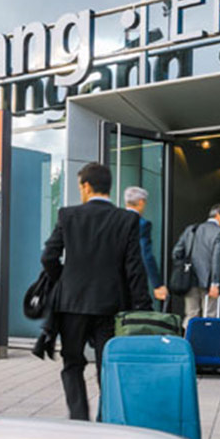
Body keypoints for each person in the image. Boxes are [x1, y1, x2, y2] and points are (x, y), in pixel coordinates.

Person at [41, 162, 151, 421]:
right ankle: (105, 420)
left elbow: (49, 257)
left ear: (86, 186)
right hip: (110, 306)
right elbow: (135, 268)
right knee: (108, 368)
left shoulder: (67, 215)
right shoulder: (128, 220)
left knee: (72, 363)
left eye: (80, 186)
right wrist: (143, 310)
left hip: (71, 305)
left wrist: (65, 279)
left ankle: (79, 418)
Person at [176, 205, 220, 325]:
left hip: (189, 279)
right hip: (208, 282)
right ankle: (207, 343)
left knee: (191, 315)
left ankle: (187, 342)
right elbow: (216, 258)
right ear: (218, 215)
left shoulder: (191, 229)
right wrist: (215, 283)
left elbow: (177, 252)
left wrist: (184, 267)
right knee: (210, 316)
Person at [124, 186, 168, 303]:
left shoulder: (115, 220)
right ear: (141, 202)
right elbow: (146, 254)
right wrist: (157, 285)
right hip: (134, 278)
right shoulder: (142, 224)